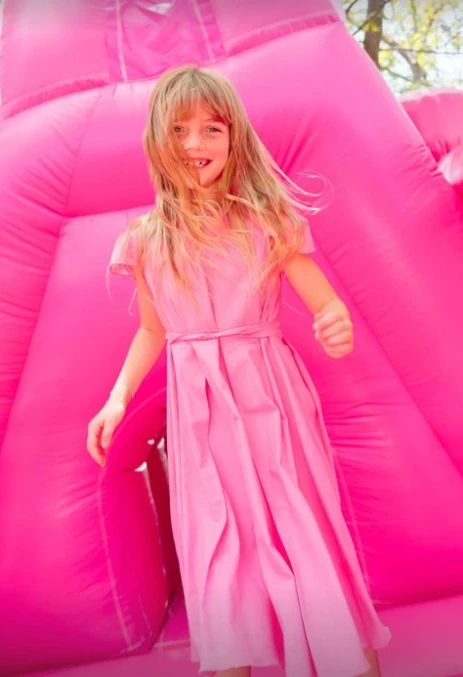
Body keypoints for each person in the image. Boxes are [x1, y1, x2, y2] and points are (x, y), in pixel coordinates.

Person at [87, 66, 391, 677]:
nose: (195, 143)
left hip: (271, 398)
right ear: (157, 139)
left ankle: (349, 661)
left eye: (212, 128)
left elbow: (326, 303)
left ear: (234, 138)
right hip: (199, 415)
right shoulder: (147, 240)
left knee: (303, 525)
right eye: (180, 129)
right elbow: (153, 330)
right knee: (217, 541)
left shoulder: (266, 221)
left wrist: (336, 322)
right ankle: (234, 656)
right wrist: (117, 399)